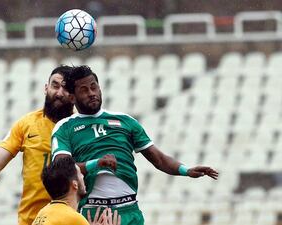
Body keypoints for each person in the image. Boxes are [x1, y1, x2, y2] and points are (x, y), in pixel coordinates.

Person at [51, 65, 219, 225]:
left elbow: (158, 159)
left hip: (130, 210)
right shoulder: (65, 127)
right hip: (94, 213)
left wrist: (186, 170)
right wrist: (97, 163)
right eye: (84, 90)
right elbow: (62, 170)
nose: (91, 93)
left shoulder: (125, 121)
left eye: (94, 87)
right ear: (72, 97)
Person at [0, 65, 75, 225]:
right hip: (32, 220)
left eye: (66, 88)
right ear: (46, 88)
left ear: (74, 96)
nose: (59, 93)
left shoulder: (81, 127)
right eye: (55, 86)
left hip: (71, 219)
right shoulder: (26, 124)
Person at [33, 156, 120, 225]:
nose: (83, 176)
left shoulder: (43, 212)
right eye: (80, 174)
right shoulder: (74, 218)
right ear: (75, 184)